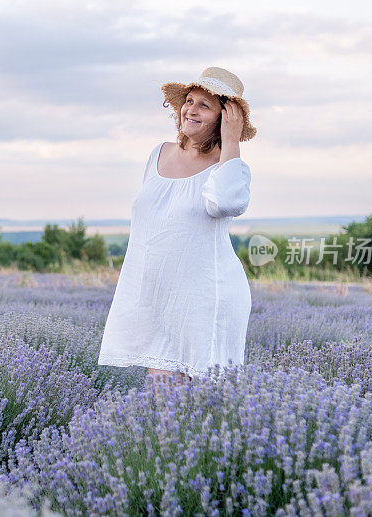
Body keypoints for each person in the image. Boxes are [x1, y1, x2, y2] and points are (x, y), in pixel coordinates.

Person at [96, 66, 257, 393]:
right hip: (162, 298)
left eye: (205, 105)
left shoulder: (228, 168)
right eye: (189, 101)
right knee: (165, 405)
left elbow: (226, 203)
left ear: (225, 118)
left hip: (205, 297)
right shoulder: (158, 153)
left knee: (204, 405)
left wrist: (230, 143)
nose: (191, 110)